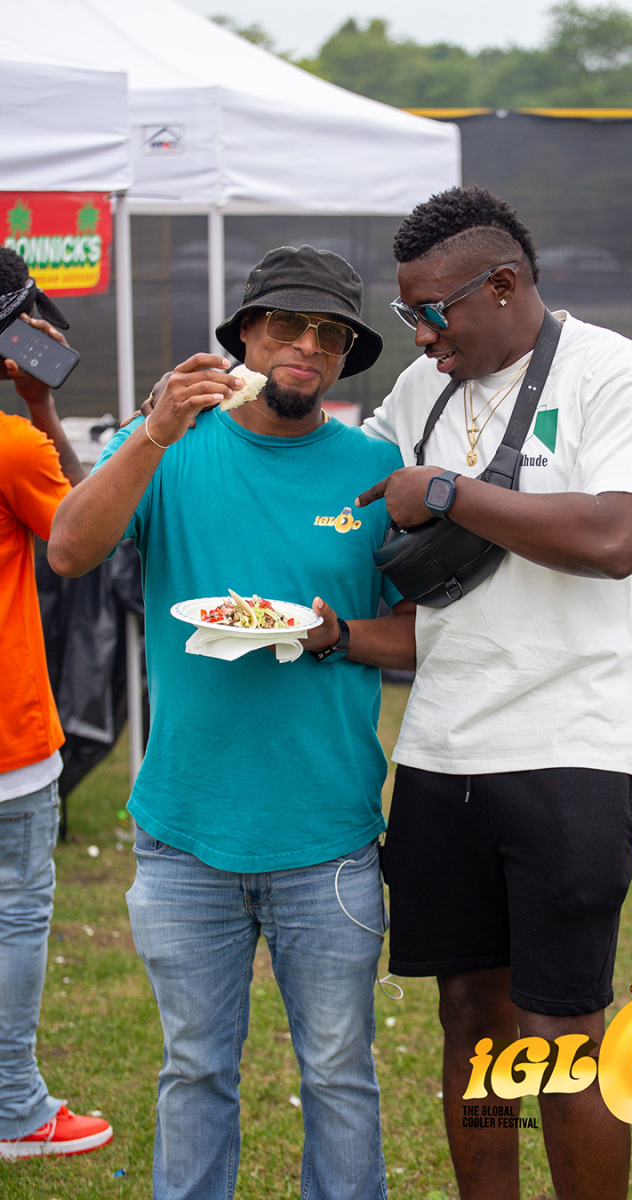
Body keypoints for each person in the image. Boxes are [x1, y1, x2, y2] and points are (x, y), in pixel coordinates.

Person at [48, 245, 416, 1200]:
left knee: (338, 1074)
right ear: (246, 335)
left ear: (346, 355)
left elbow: (416, 635)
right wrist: (151, 432)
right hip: (186, 832)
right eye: (286, 325)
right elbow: (70, 550)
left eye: (330, 335)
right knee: (195, 1070)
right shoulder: (172, 444)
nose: (307, 347)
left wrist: (338, 635)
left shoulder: (375, 467)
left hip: (328, 835)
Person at [355, 187, 632, 1200]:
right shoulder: (422, 387)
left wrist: (449, 490)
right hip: (442, 750)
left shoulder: (615, 373)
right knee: (470, 1018)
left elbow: (615, 538)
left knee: (561, 1033)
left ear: (501, 286)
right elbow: (347, 473)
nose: (419, 335)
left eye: (432, 312)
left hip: (571, 750)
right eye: (407, 314)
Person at [0, 247, 113, 1159]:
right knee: (16, 914)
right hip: (8, 742)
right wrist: (39, 405)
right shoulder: (14, 447)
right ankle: (14, 1108)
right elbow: (82, 535)